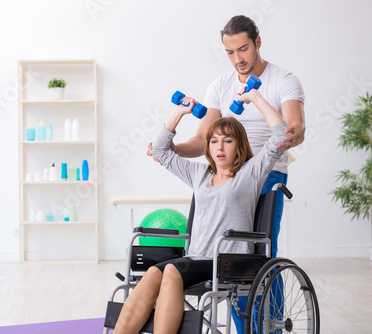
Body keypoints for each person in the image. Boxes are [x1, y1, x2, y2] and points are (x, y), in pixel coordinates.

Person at [147, 16, 305, 332]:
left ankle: (267, 326)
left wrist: (289, 134)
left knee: (260, 254)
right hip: (227, 174)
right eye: (230, 52)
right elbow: (202, 140)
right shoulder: (220, 85)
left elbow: (295, 127)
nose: (238, 59)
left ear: (257, 43)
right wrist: (171, 151)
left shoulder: (283, 80)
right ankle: (242, 322)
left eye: (243, 49)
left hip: (266, 172)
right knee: (227, 255)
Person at [114, 87, 288, 334]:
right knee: (153, 273)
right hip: (196, 259)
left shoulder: (249, 174)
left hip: (229, 262)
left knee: (172, 270)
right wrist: (180, 112)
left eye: (228, 140)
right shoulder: (200, 175)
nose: (220, 147)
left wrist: (255, 98)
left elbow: (281, 136)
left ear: (239, 145)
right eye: (214, 140)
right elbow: (160, 151)